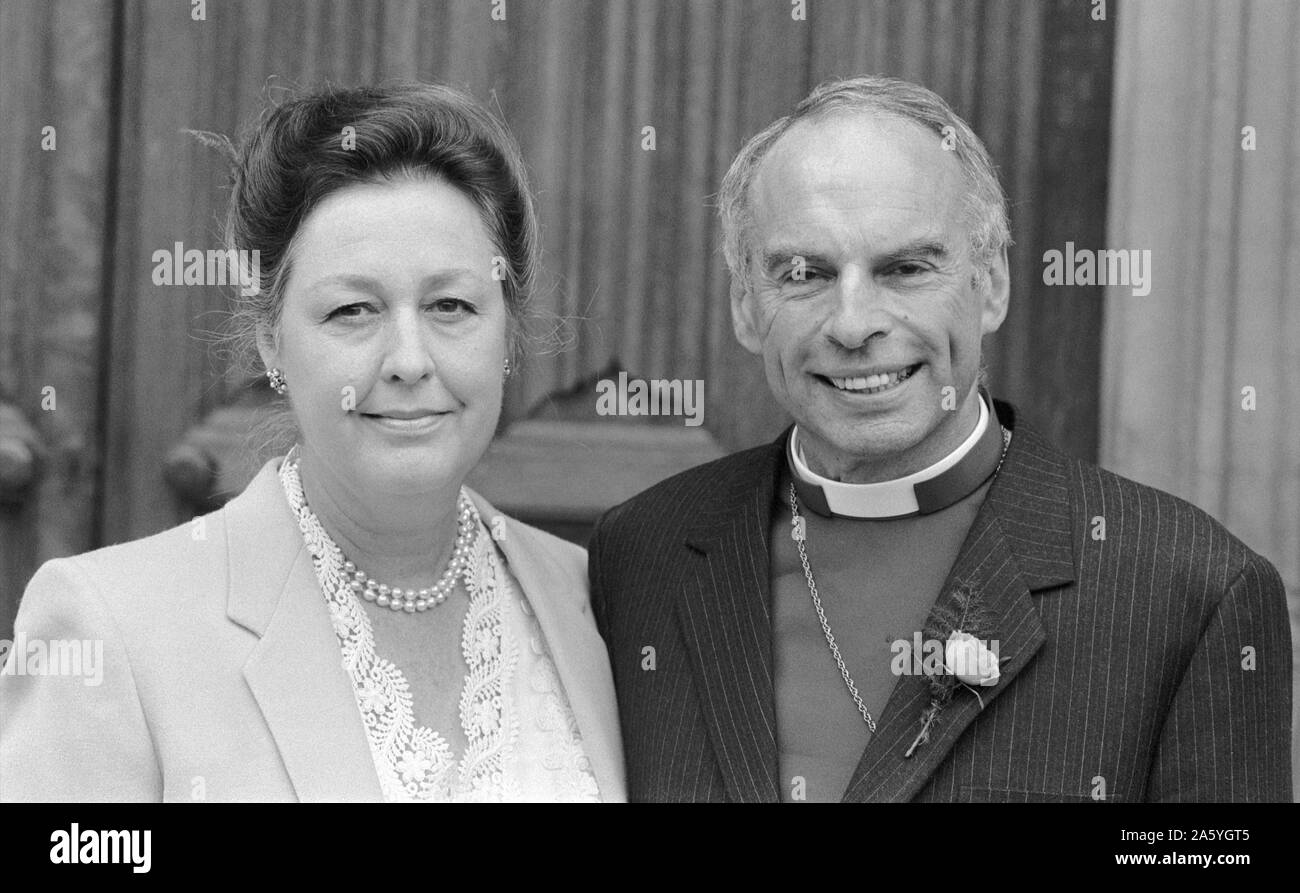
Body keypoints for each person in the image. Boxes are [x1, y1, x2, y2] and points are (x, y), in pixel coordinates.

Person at [587, 75, 1292, 802]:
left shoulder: (1190, 590)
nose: (854, 323)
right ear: (745, 305)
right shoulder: (642, 557)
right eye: (805, 274)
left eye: (906, 269)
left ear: (991, 284)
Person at [0, 82, 624, 803]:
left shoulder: (595, 601)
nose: (409, 360)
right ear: (272, 340)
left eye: (451, 305)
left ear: (507, 330)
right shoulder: (110, 624)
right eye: (352, 309)